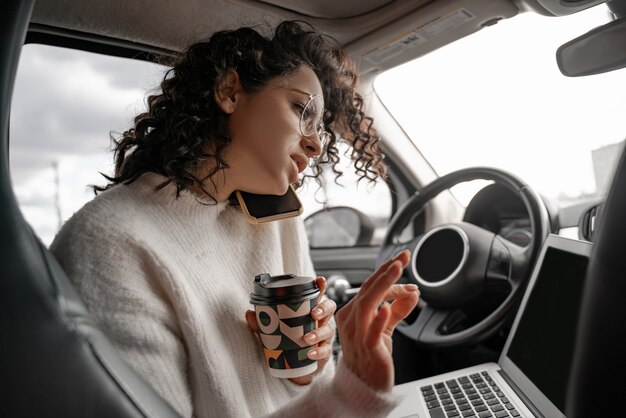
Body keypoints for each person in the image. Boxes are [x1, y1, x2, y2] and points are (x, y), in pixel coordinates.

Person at [50, 20, 420, 418]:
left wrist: (310, 362)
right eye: (301, 110)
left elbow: (307, 388)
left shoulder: (278, 218)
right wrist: (353, 394)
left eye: (320, 130)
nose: (314, 145)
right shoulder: (111, 241)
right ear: (229, 91)